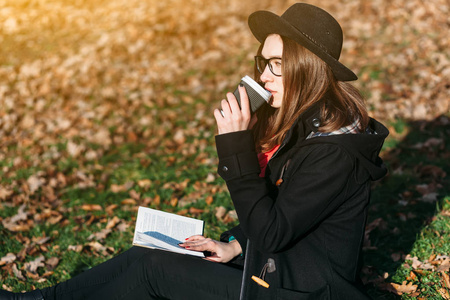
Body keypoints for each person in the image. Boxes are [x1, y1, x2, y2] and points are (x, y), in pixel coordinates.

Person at [0, 3, 388, 300]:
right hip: (278, 270)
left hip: (306, 291)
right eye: (262, 62)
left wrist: (236, 146)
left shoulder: (334, 150)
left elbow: (272, 229)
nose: (263, 76)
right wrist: (233, 244)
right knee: (145, 255)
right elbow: (289, 209)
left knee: (154, 269)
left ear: (307, 70)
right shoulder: (304, 124)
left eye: (275, 65)